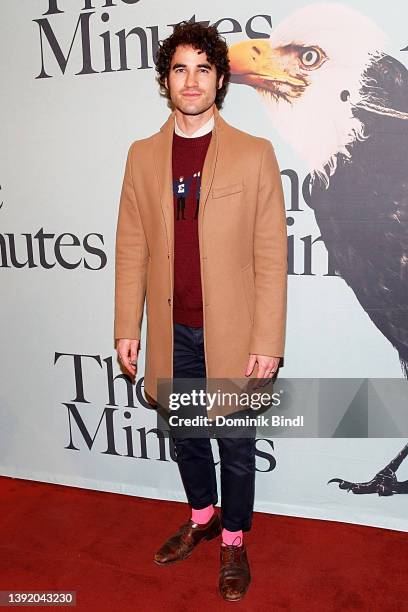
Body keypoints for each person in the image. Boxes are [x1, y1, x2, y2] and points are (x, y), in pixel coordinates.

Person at [114, 21, 287, 602]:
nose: (191, 80)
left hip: (234, 334)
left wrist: (268, 339)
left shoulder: (254, 154)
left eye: (203, 68)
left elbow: (270, 254)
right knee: (186, 435)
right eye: (180, 68)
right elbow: (131, 245)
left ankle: (234, 540)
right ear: (166, 80)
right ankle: (203, 515)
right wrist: (126, 328)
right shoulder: (142, 156)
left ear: (218, 81)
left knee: (235, 444)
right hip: (171, 330)